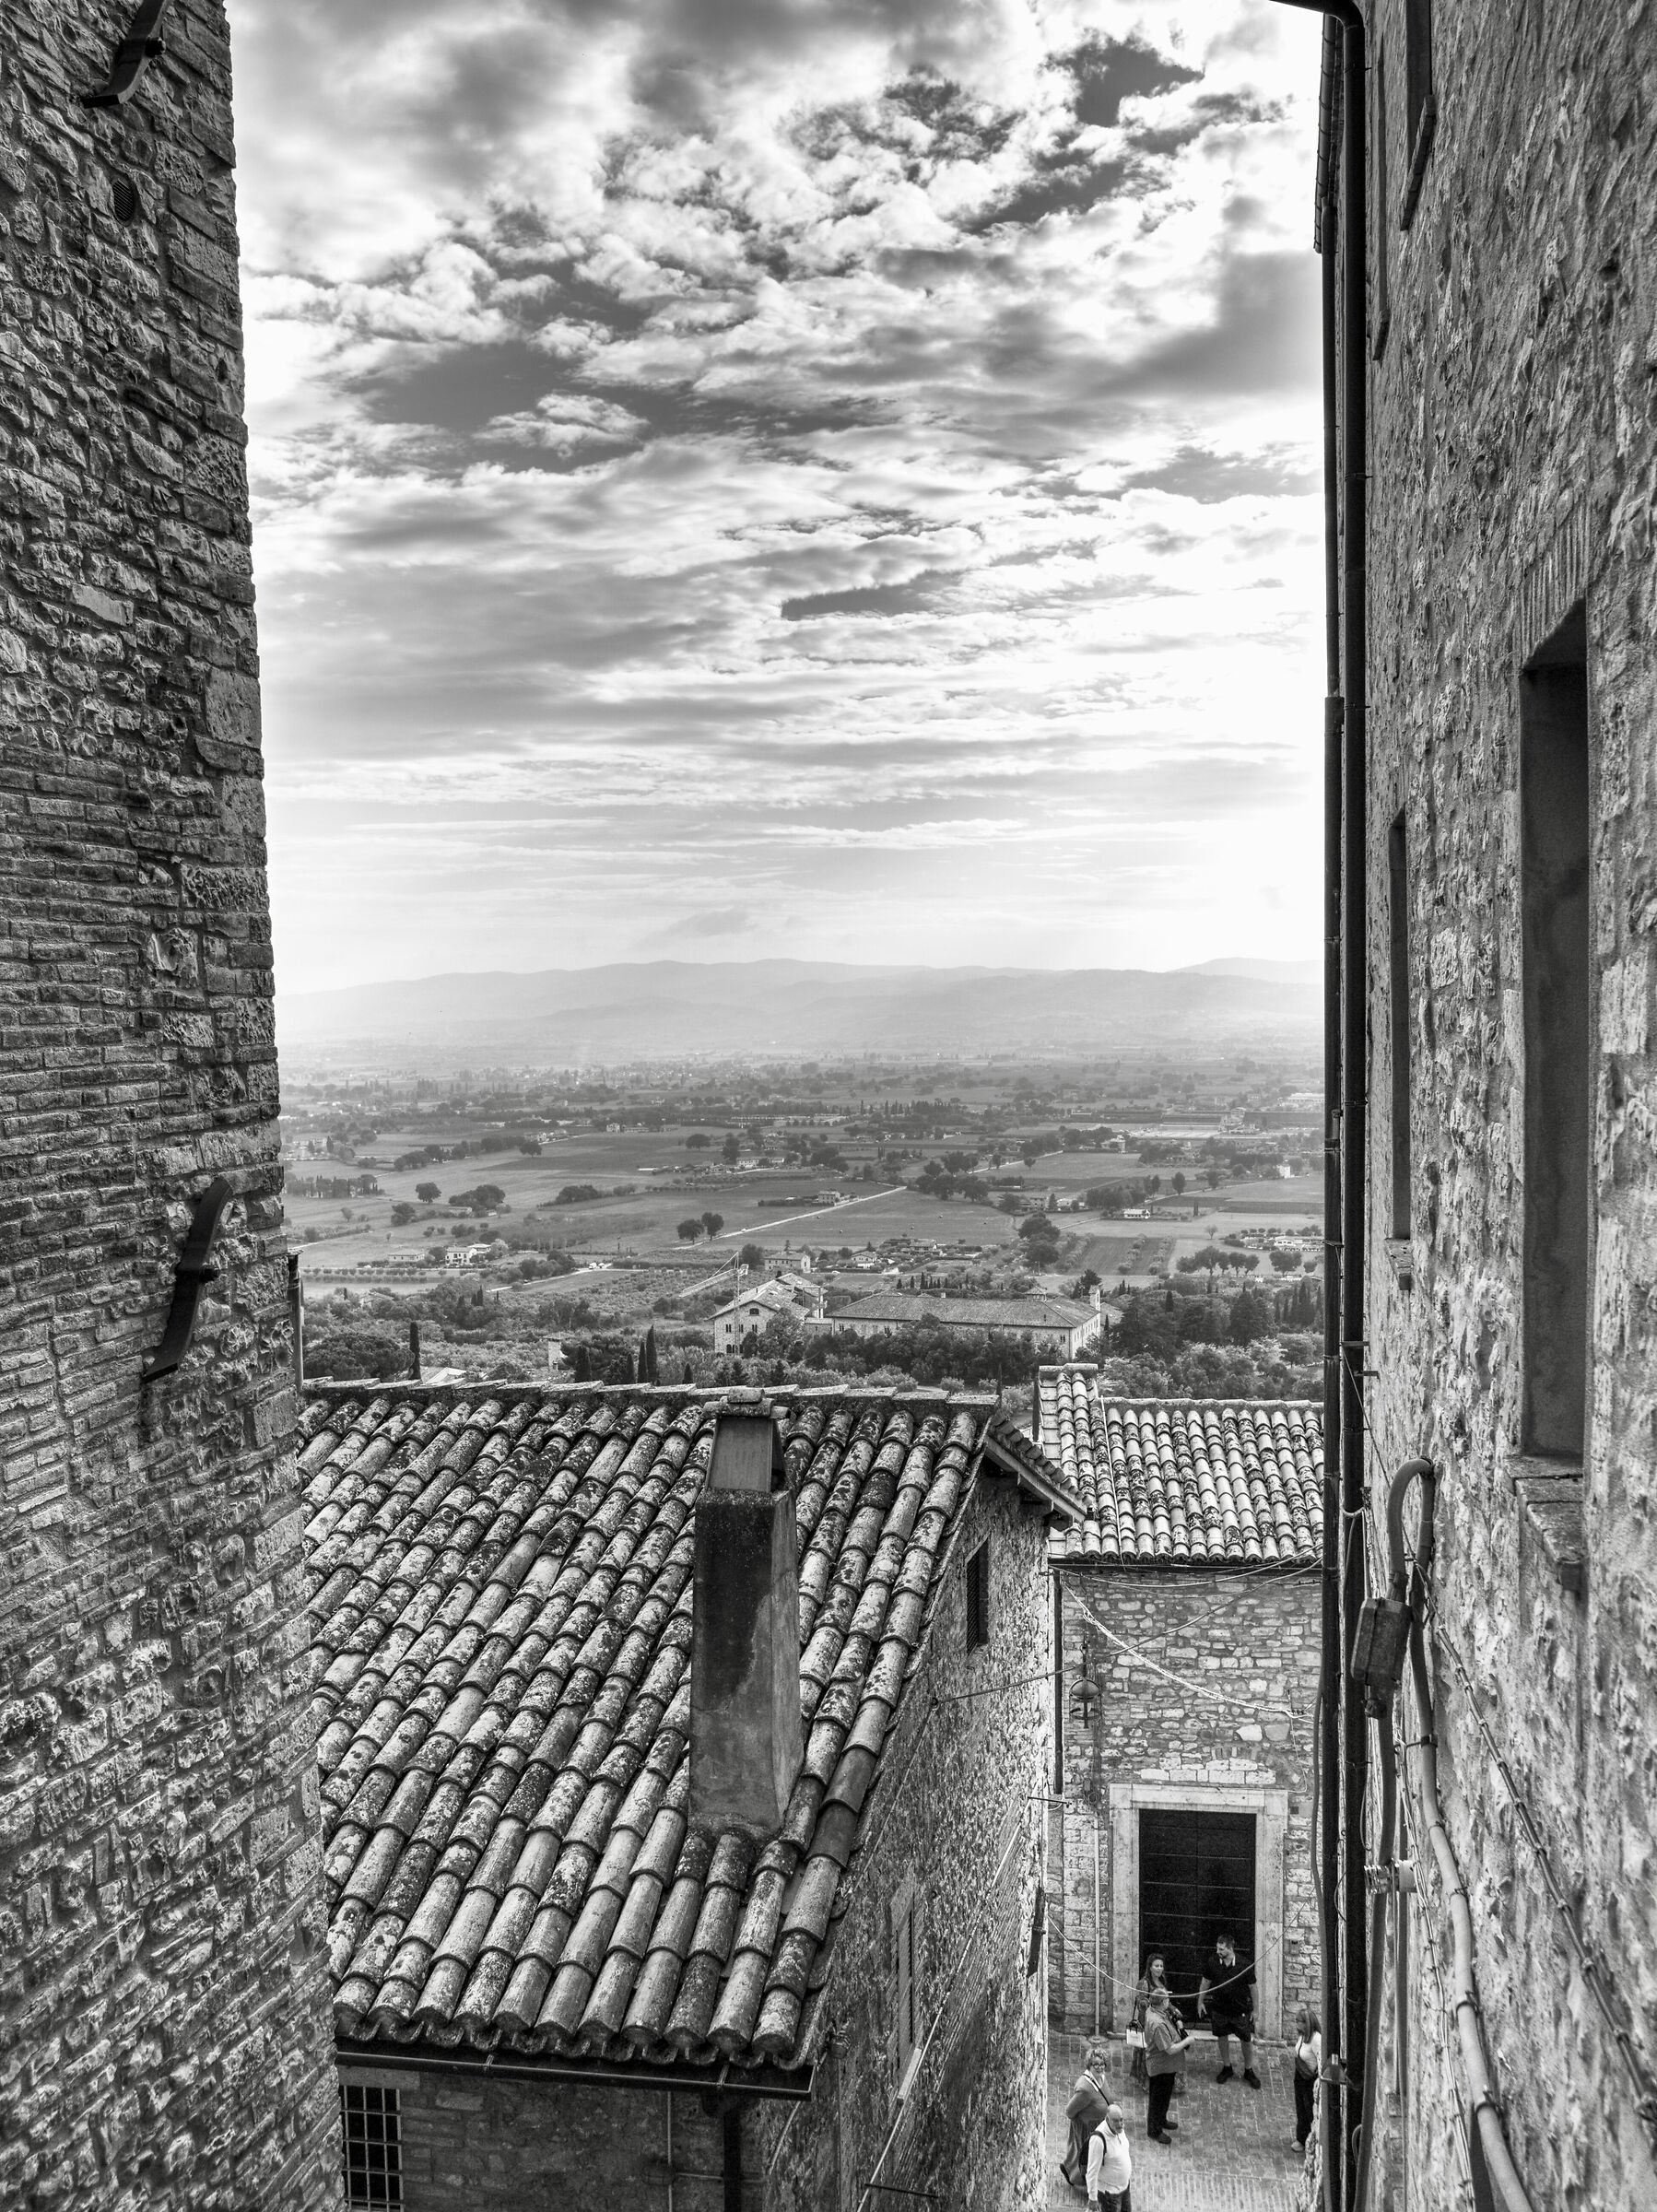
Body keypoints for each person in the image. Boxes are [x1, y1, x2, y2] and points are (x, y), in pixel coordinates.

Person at [1199, 1933, 1260, 2087]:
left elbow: (1253, 1988)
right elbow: (1205, 1982)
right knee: (1222, 2036)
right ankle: (1227, 2067)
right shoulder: (1213, 1961)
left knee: (1246, 2039)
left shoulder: (1244, 1964)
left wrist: (1256, 2010)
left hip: (1240, 2010)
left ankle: (1248, 2069)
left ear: (1230, 1948)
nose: (1218, 1952)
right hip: (1220, 2009)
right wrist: (1200, 2002)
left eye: (1221, 1949)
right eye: (1217, 1948)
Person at [1143, 1987, 1192, 2144]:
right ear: (1162, 2002)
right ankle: (1154, 2130)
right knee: (1158, 2099)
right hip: (1161, 2067)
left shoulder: (1155, 2010)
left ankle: (1161, 2120)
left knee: (1164, 2097)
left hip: (1167, 2066)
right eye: (1167, 2000)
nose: (1169, 2002)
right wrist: (1187, 2041)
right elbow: (1170, 2049)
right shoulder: (1157, 2024)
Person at [1062, 2043, 1112, 2190]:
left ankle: (1075, 2173)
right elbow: (1069, 2111)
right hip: (1088, 2129)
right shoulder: (1085, 2089)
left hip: (1100, 2126)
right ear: (1089, 2065)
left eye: (1102, 2064)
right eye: (1096, 2064)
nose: (1100, 2067)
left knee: (1092, 2158)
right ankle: (1078, 2179)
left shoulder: (1102, 2078)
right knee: (1087, 2159)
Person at [1129, 1956, 1177, 2084]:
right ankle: (1147, 2080)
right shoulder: (1144, 1983)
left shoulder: (1162, 1981)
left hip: (1162, 2019)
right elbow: (1141, 2003)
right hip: (1150, 2022)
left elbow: (1166, 2001)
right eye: (1156, 1966)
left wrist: (1173, 2009)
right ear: (1150, 1967)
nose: (1159, 1969)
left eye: (1161, 1966)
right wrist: (1152, 2003)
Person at [1087, 2102, 1133, 2211]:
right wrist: (1093, 2198)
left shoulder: (1119, 2129)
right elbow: (1092, 2171)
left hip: (1124, 2187)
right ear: (1107, 2120)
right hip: (1110, 2195)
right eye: (1115, 2121)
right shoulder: (1098, 2140)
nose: (1120, 2124)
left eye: (1121, 2120)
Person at [1292, 2005, 1322, 2148]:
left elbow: (1321, 2060)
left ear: (1306, 2023)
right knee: (1301, 2108)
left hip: (1309, 2079)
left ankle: (1311, 2140)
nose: (1297, 2024)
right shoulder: (1303, 2036)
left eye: (1299, 2021)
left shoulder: (1316, 2039)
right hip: (1300, 2076)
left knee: (1309, 2110)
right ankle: (1301, 2138)